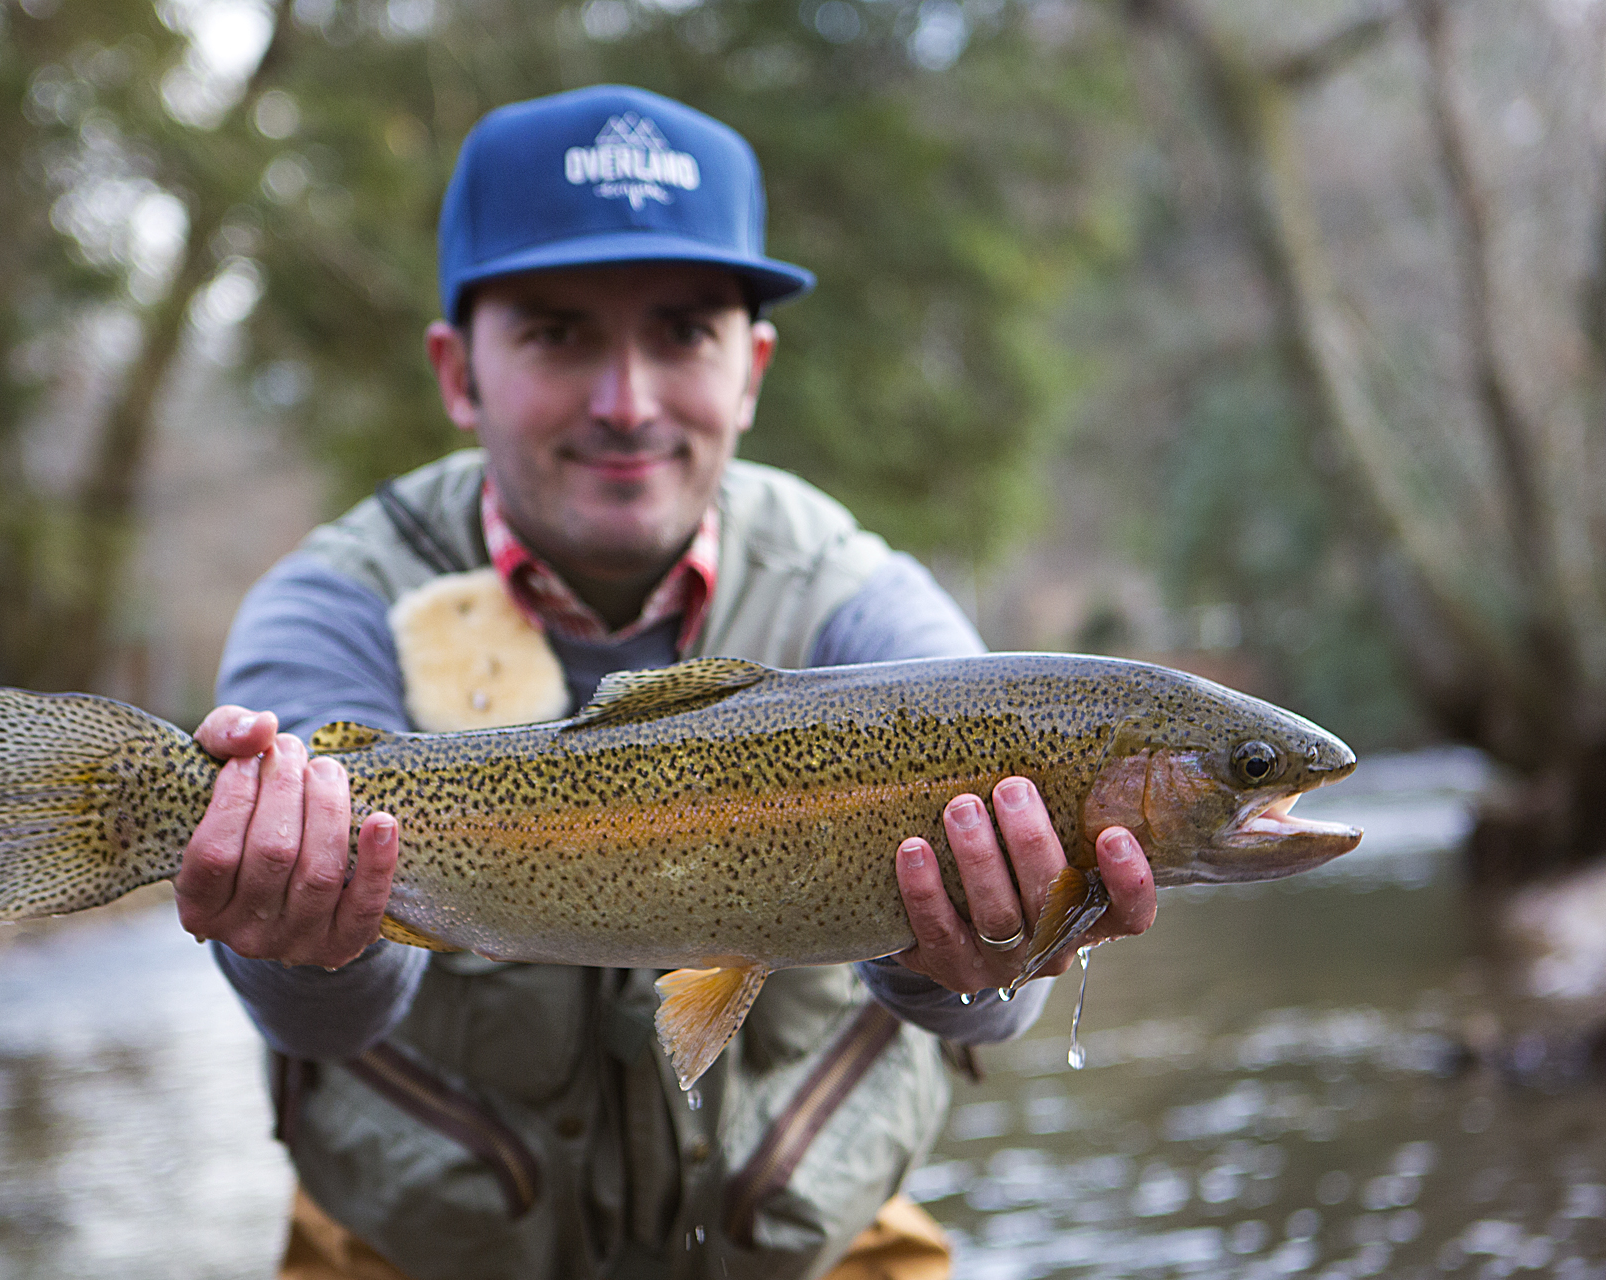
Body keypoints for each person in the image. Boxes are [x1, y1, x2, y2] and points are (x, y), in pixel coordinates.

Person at [176, 85, 1156, 1280]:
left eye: (682, 332)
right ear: (457, 371)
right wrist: (305, 943)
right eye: (557, 333)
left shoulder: (863, 607)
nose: (625, 401)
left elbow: (990, 1011)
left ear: (751, 368)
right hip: (417, 1250)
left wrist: (973, 956)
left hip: (811, 1248)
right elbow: (315, 1020)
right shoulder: (334, 601)